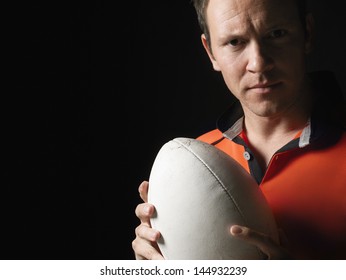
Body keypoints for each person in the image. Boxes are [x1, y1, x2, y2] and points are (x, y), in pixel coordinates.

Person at [132, 0, 346, 260]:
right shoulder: (197, 163)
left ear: (307, 33)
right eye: (235, 42)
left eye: (276, 34)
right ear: (211, 52)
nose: (258, 63)